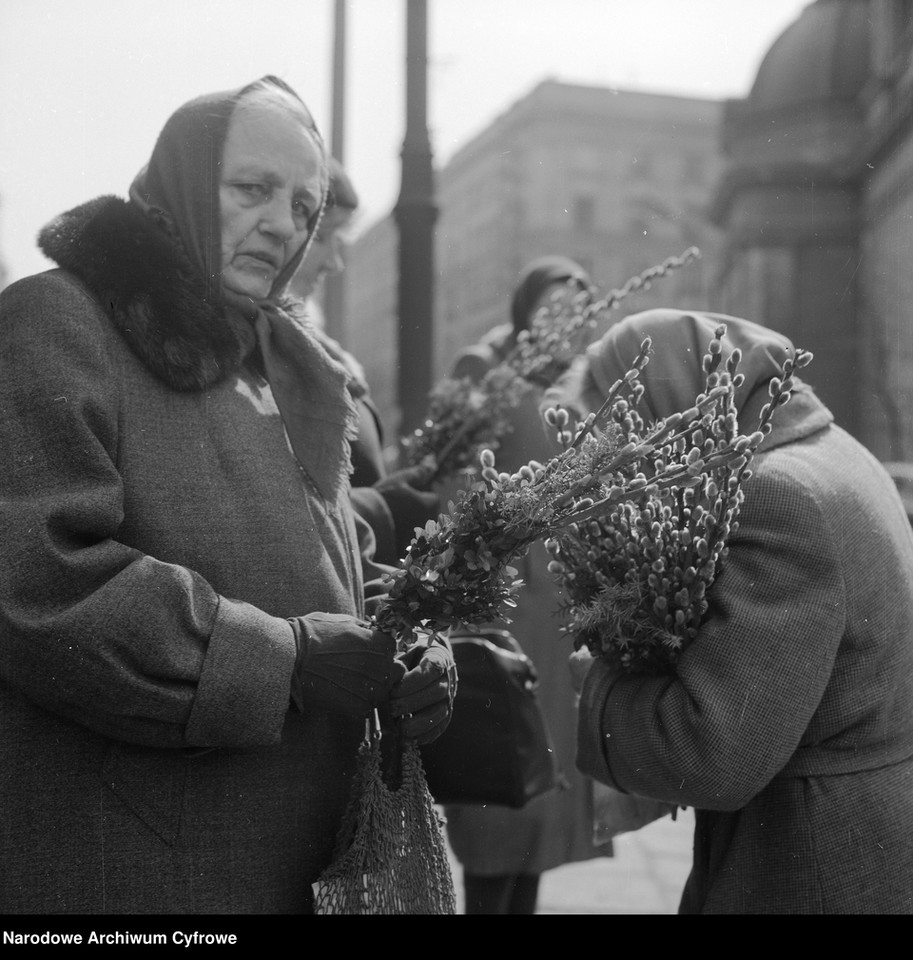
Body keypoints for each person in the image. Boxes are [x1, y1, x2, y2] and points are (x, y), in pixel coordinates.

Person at [0, 75, 455, 915]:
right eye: (252, 189)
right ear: (180, 180)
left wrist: (409, 645)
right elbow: (41, 585)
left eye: (305, 206)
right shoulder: (57, 321)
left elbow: (331, 559)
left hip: (295, 853)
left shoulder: (286, 361)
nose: (283, 225)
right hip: (140, 867)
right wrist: (286, 658)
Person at [549, 307, 913, 915]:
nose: (627, 466)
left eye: (625, 437)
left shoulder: (777, 493)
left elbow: (713, 753)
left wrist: (600, 691)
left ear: (670, 407)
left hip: (809, 864)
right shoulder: (832, 451)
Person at [440, 255, 615, 915]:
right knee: (499, 782)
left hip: (562, 607)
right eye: (551, 306)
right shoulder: (483, 369)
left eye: (577, 310)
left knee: (547, 789)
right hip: (502, 598)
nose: (564, 322)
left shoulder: (583, 379)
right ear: (523, 307)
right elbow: (448, 480)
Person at [290, 156, 439, 565]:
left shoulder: (326, 353)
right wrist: (382, 509)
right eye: (324, 235)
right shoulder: (273, 357)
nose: (335, 262)